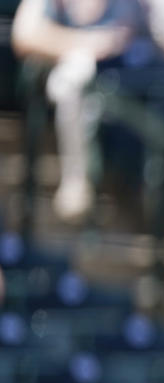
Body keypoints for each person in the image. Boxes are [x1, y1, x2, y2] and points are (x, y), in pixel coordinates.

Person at [11, 0, 141, 221]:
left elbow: (122, 37)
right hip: (56, 80)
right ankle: (76, 181)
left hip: (114, 86)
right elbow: (24, 35)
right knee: (76, 73)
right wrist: (85, 44)